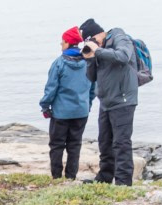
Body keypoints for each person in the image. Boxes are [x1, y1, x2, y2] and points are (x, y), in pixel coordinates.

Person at [78, 18, 138, 185]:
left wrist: (97, 51)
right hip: (106, 102)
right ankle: (104, 178)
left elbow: (123, 56)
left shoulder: (119, 37)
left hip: (123, 100)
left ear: (97, 34)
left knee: (121, 143)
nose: (90, 44)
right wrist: (90, 59)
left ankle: (123, 183)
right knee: (105, 142)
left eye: (90, 40)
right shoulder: (100, 48)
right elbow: (92, 77)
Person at [40, 26, 95, 180]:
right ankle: (71, 177)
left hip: (61, 113)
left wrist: (45, 106)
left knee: (57, 145)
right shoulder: (88, 62)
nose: (61, 45)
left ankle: (56, 177)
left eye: (62, 42)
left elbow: (51, 89)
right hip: (81, 111)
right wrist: (87, 104)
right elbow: (93, 88)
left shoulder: (59, 63)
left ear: (67, 43)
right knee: (75, 145)